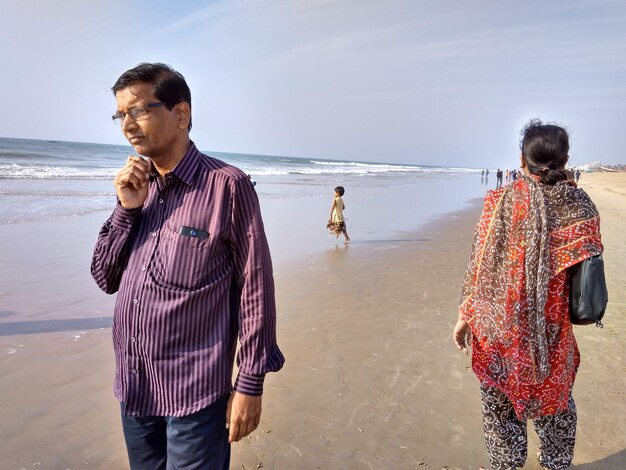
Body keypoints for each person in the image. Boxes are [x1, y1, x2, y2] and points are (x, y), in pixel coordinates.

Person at [91, 63, 284, 469]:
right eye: (120, 114)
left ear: (181, 114)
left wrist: (250, 385)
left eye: (139, 110)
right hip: (134, 388)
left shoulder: (227, 187)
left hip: (195, 396)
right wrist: (127, 208)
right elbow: (105, 276)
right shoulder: (138, 190)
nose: (127, 124)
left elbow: (256, 290)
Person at [452, 119, 603, 470]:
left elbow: (480, 267)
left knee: (500, 413)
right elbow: (588, 274)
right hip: (552, 336)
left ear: (522, 160)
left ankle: (507, 465)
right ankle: (554, 463)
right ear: (565, 160)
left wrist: (464, 317)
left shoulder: (499, 202)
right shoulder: (579, 206)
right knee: (557, 410)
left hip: (498, 334)